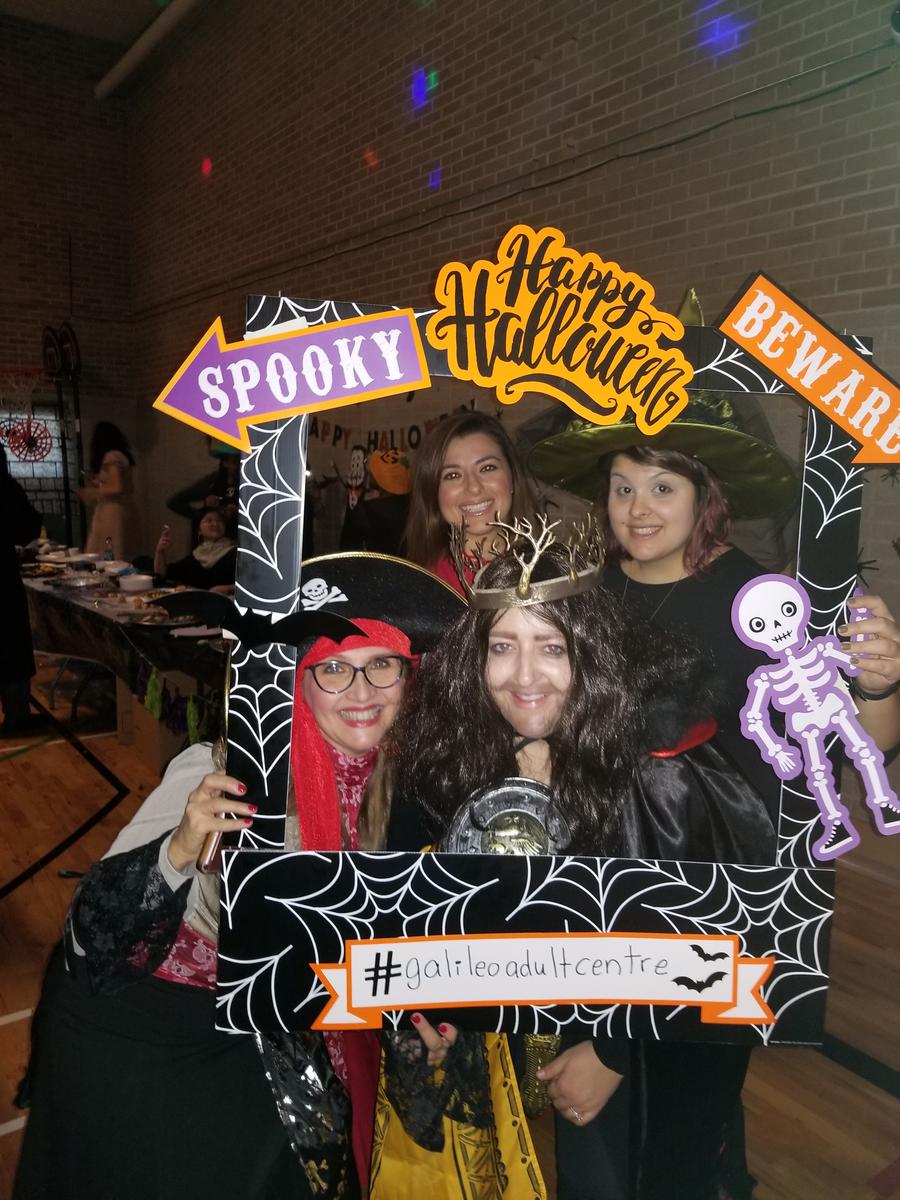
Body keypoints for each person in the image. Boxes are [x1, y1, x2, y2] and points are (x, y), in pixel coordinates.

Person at [14, 553, 465, 1200]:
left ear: (407, 675)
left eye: (381, 665)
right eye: (334, 668)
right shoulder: (223, 771)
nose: (362, 692)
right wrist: (179, 846)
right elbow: (90, 937)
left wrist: (419, 1021)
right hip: (149, 1031)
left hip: (265, 1025)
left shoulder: (400, 789)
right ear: (299, 682)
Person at [372, 536, 775, 1200]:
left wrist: (612, 1055)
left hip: (624, 1044)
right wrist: (430, 1016)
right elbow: (416, 906)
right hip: (499, 1043)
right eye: (503, 646)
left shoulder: (658, 772)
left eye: (552, 648)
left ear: (591, 655)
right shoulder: (452, 758)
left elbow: (717, 945)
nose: (524, 676)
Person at [403, 411, 538, 595]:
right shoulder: (420, 588)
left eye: (487, 468)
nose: (473, 487)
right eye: (453, 475)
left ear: (513, 477)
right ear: (433, 492)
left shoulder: (551, 572)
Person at [0, 443, 44, 736]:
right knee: (11, 644)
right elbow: (27, 529)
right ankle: (17, 716)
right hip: (2, 578)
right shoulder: (6, 488)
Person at [80, 421, 139, 560]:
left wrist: (92, 492)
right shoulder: (121, 456)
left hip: (112, 512)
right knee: (112, 553)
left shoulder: (112, 457)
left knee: (108, 554)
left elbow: (116, 487)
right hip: (121, 509)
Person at [166, 439, 241, 540]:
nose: (238, 466)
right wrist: (204, 516)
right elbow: (174, 502)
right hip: (212, 541)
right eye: (235, 462)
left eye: (241, 462)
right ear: (225, 463)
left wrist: (238, 512)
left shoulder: (251, 482)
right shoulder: (212, 482)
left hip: (241, 540)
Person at [153, 508, 237, 591]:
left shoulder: (235, 553)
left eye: (219, 521)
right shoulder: (194, 557)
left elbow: (244, 583)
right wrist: (160, 551)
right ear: (199, 530)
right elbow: (162, 574)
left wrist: (225, 589)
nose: (215, 524)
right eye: (209, 520)